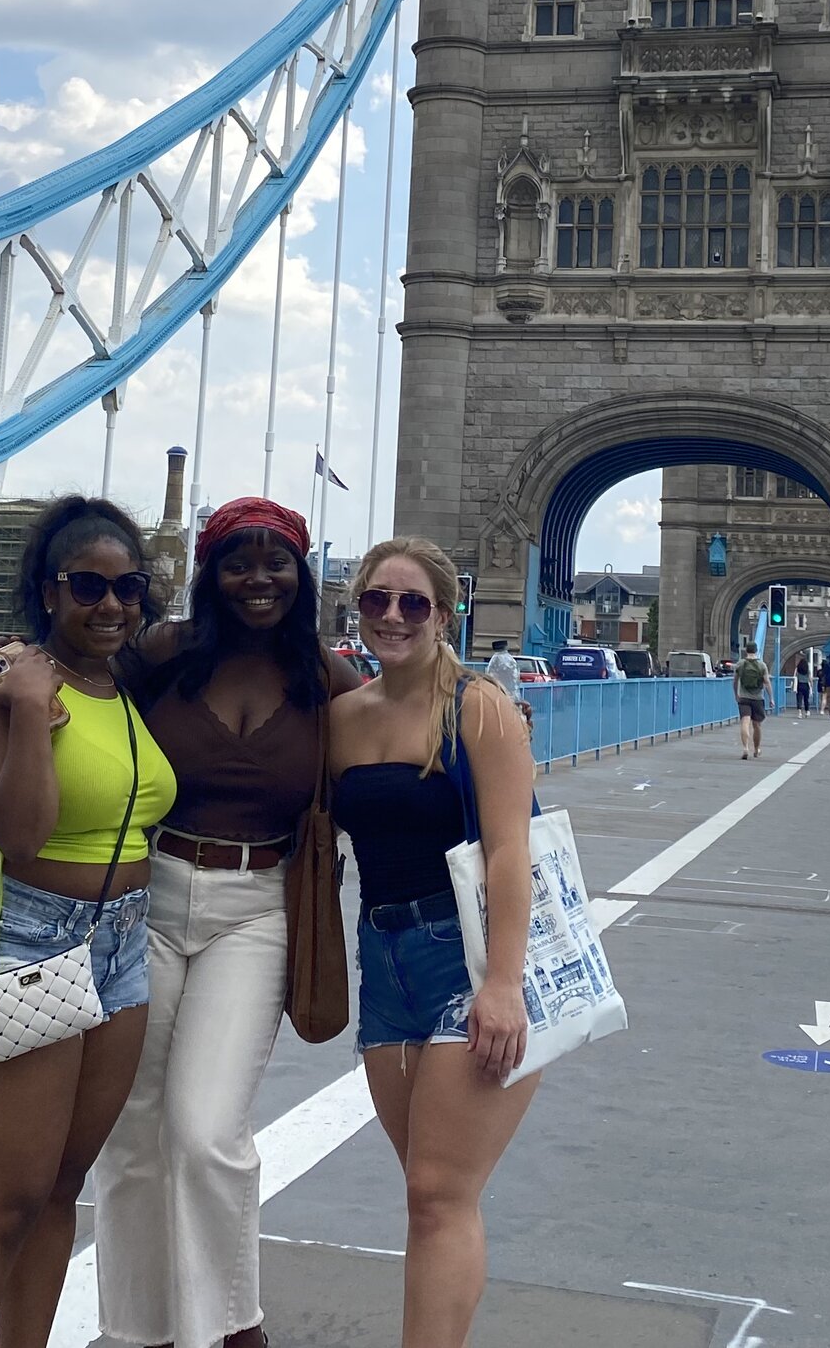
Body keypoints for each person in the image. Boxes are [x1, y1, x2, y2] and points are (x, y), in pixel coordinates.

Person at [91, 497, 359, 1348]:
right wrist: (8, 670)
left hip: (259, 908)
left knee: (205, 1130)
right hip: (151, 899)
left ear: (301, 574)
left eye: (276, 562)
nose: (258, 580)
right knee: (133, 1126)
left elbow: (412, 721)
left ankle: (228, 1327)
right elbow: (74, 678)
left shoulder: (326, 677)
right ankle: (137, 1331)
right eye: (238, 563)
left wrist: (484, 712)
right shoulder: (167, 656)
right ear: (211, 575)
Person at [0, 497, 176, 1348]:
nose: (111, 605)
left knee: (62, 1188)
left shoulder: (122, 679)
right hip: (31, 941)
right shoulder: (4, 698)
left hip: (123, 947)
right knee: (6, 1203)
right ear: (48, 591)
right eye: (88, 586)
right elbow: (20, 838)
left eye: (128, 586)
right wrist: (29, 708)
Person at [327, 535, 537, 1348]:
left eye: (414, 603)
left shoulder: (478, 708)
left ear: (446, 615)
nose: (393, 616)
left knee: (440, 1192)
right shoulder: (343, 719)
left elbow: (511, 851)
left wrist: (505, 984)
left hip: (468, 957)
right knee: (425, 1196)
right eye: (377, 599)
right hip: (382, 964)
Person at [733, 645, 768, 759]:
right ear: (756, 651)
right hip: (758, 698)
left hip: (743, 697)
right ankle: (757, 749)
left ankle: (745, 748)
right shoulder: (762, 665)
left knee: (745, 722)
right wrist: (771, 697)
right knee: (757, 725)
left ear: (746, 650)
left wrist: (736, 695)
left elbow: (735, 681)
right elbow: (767, 682)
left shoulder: (740, 664)